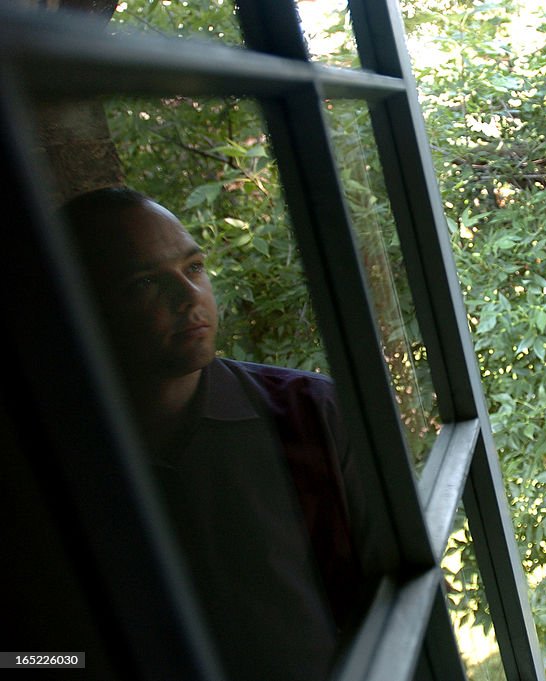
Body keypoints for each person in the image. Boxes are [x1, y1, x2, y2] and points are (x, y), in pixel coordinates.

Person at [61, 187, 362, 681]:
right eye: (143, 284)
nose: (189, 297)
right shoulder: (44, 464)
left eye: (194, 267)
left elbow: (400, 593)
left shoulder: (312, 413)